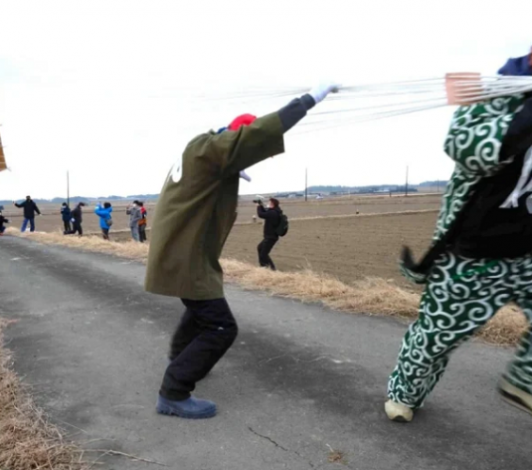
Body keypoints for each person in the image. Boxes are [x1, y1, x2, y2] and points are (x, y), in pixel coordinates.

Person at [144, 82, 339, 419]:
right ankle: (174, 391)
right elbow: (260, 132)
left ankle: (180, 359)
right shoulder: (216, 148)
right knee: (220, 326)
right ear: (237, 138)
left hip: (180, 252)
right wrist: (308, 100)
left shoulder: (203, 149)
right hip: (186, 256)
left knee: (199, 309)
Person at [385, 50, 532, 423]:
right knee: (435, 339)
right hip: (471, 257)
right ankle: (405, 394)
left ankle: (525, 382)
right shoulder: (492, 94)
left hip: (529, 253)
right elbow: (467, 146)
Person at [256, 198, 283, 270]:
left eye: (269, 203)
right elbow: (265, 212)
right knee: (260, 248)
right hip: (269, 236)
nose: (268, 204)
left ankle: (272, 269)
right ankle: (263, 267)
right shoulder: (274, 211)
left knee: (264, 254)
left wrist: (258, 206)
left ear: (272, 204)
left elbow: (261, 214)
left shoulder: (273, 213)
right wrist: (261, 205)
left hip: (271, 237)